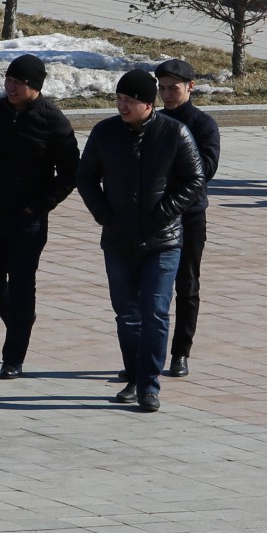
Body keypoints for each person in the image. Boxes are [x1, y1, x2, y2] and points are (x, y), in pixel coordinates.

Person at [77, 68, 205, 413]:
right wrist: (104, 214)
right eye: (119, 99)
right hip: (118, 240)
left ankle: (149, 385)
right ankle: (133, 377)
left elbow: (195, 180)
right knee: (127, 314)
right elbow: (85, 177)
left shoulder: (174, 132)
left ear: (148, 105)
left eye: (130, 101)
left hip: (162, 241)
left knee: (156, 312)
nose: (122, 106)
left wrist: (164, 212)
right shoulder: (105, 133)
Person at [0, 53, 79, 380]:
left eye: (19, 83)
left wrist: (38, 206)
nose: (11, 87)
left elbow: (70, 173)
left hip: (28, 220)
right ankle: (21, 320)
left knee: (22, 283)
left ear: (35, 86)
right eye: (8, 80)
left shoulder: (53, 120)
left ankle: (13, 357)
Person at [155, 58, 219, 378]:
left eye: (173, 88)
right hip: (155, 217)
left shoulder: (203, 124)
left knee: (187, 286)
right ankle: (145, 355)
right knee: (152, 288)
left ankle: (180, 353)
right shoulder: (153, 120)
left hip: (190, 216)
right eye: (162, 89)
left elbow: (205, 170)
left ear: (190, 87)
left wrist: (170, 163)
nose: (167, 95)